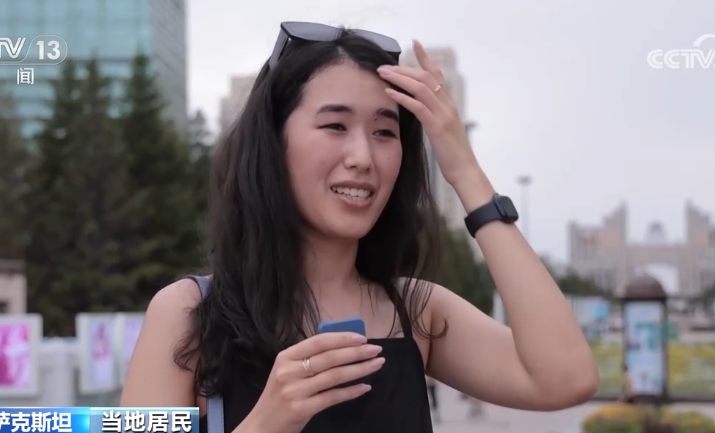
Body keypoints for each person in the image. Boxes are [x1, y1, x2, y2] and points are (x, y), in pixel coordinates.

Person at [121, 21, 598, 433]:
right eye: (335, 126)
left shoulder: (417, 313)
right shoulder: (188, 314)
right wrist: (267, 422)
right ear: (272, 143)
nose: (363, 157)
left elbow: (566, 378)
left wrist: (467, 174)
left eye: (385, 132)